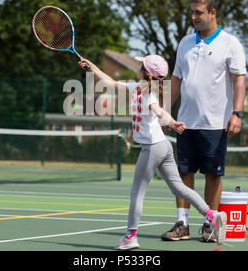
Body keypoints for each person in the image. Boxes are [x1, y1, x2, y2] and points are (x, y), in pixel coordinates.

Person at [78, 54, 227, 250]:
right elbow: (112, 83)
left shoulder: (149, 93)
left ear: (144, 71)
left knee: (136, 193)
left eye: (140, 64)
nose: (137, 65)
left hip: (152, 148)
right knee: (179, 188)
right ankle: (212, 216)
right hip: (163, 146)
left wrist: (172, 122)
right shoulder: (137, 88)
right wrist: (93, 67)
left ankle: (131, 236)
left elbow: (158, 111)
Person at [161, 0, 246, 243]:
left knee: (212, 174)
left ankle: (210, 225)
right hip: (185, 122)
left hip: (215, 124)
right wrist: (165, 113)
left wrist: (237, 113)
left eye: (198, 12)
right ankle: (182, 224)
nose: (194, 17)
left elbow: (239, 79)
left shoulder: (231, 43)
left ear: (212, 13)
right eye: (192, 12)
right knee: (183, 174)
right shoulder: (185, 43)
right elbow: (176, 79)